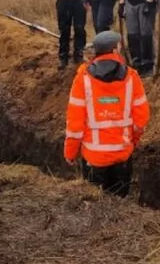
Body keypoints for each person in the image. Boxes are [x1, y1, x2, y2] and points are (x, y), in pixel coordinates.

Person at [63, 30, 150, 197]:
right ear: (115, 50)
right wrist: (132, 141)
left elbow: (75, 123)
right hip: (123, 157)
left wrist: (70, 152)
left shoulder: (83, 78)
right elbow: (141, 120)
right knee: (119, 208)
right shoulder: (132, 77)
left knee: (95, 210)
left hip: (94, 160)